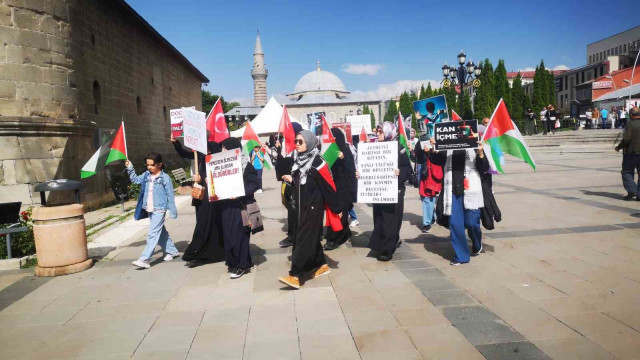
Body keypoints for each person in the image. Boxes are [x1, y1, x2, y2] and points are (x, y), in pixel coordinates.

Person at [278, 130, 342, 289]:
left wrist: (337, 208)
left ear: (310, 142)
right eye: (296, 141)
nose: (297, 144)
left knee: (302, 240)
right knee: (311, 239)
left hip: (313, 208)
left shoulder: (317, 162)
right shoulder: (299, 160)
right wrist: (292, 180)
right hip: (301, 207)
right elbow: (303, 184)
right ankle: (321, 265)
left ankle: (296, 275)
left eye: (301, 141)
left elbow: (328, 186)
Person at [430, 138, 489, 265]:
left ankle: (476, 242)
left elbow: (484, 167)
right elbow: (437, 160)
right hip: (453, 192)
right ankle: (461, 256)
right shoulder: (447, 146)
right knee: (456, 225)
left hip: (471, 191)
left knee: (472, 223)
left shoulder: (474, 145)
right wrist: (434, 148)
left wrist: (480, 153)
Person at [367, 122, 413, 261]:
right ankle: (381, 245)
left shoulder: (399, 148)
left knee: (390, 220)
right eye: (377, 132)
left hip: (394, 191)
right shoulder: (375, 148)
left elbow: (408, 170)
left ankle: (387, 250)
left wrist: (399, 173)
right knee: (379, 218)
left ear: (388, 133)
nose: (377, 134)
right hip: (380, 191)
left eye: (380, 132)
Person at [126, 153, 179, 269]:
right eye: (148, 165)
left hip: (160, 208)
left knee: (153, 234)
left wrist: (173, 211)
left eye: (152, 165)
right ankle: (172, 251)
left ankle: (145, 259)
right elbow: (135, 180)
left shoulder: (165, 178)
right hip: (149, 208)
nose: (149, 167)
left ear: (159, 165)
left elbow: (170, 195)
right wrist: (130, 167)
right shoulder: (146, 175)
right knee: (161, 232)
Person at [219, 138, 259, 279]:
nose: (223, 151)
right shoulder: (223, 166)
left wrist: (239, 193)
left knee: (240, 236)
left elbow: (254, 184)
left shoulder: (247, 166)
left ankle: (241, 265)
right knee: (229, 237)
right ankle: (234, 262)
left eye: (225, 148)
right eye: (222, 148)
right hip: (226, 207)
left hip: (240, 207)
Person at [181, 141, 225, 265]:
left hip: (212, 200)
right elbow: (185, 154)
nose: (206, 152)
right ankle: (200, 251)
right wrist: (176, 144)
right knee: (203, 224)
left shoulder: (217, 160)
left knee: (207, 225)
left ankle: (201, 252)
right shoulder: (202, 157)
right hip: (203, 199)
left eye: (208, 150)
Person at [324, 128, 356, 251]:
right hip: (333, 188)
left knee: (341, 215)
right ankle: (344, 233)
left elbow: (351, 169)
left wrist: (343, 158)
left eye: (335, 138)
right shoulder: (330, 151)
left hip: (344, 189)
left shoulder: (345, 151)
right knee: (334, 213)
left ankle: (335, 238)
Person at [275, 123, 304, 248]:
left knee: (296, 211)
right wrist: (278, 151)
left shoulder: (301, 148)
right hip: (289, 184)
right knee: (292, 210)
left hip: (298, 185)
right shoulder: (288, 148)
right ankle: (293, 233)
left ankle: (294, 236)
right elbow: (283, 166)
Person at [415, 139, 443, 233]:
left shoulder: (439, 138)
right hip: (423, 170)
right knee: (425, 197)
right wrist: (412, 150)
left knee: (428, 197)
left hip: (432, 171)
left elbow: (440, 157)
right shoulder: (422, 139)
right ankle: (432, 217)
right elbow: (416, 157)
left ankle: (427, 223)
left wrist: (432, 149)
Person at [615, 107, 640, 201]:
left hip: (631, 153)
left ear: (631, 114)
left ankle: (632, 190)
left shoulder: (630, 124)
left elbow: (627, 139)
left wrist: (619, 147)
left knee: (626, 172)